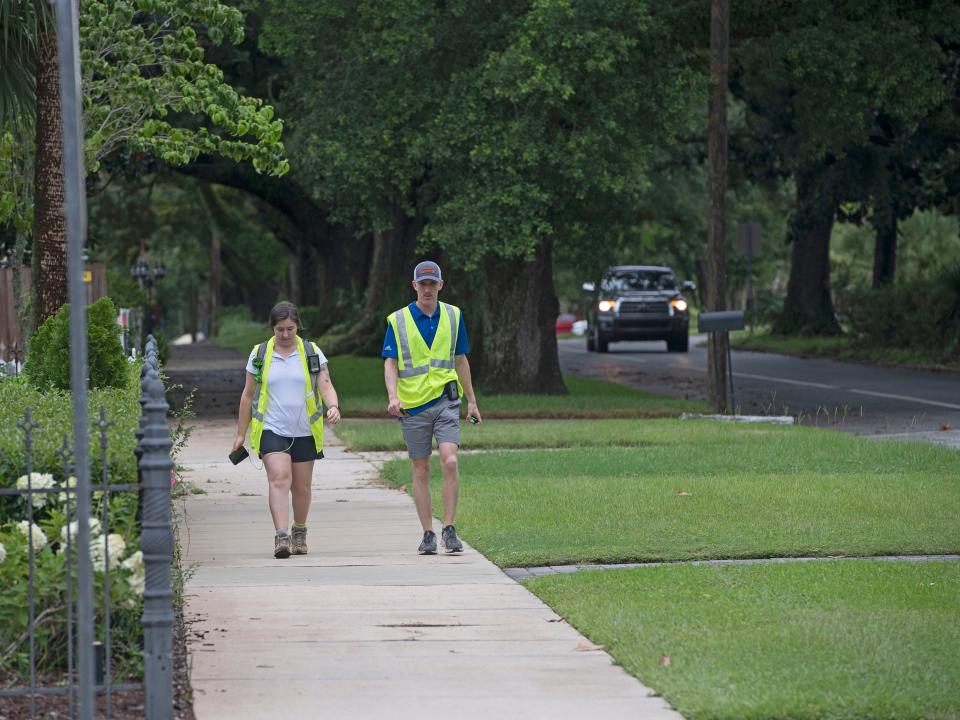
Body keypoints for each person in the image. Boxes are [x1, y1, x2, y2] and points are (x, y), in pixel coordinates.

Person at [382, 261, 481, 555]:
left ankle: (449, 528)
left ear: (441, 285)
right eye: (422, 284)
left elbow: (460, 359)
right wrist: (392, 396)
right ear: (414, 286)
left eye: (432, 283)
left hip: (446, 400)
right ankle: (427, 533)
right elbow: (390, 363)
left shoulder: (453, 315)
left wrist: (472, 400)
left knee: (450, 461)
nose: (427, 289)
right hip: (412, 405)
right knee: (421, 468)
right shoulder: (397, 321)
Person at [232, 301, 341, 559]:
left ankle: (299, 531)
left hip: (304, 429)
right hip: (272, 428)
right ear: (272, 328)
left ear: (297, 326)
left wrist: (333, 405)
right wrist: (240, 434)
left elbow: (324, 383)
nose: (284, 335)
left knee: (301, 487)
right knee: (280, 478)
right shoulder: (259, 354)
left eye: (290, 329)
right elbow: (247, 395)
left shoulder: (311, 351)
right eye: (280, 329)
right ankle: (281, 536)